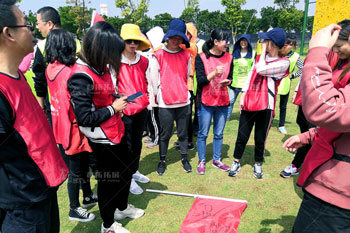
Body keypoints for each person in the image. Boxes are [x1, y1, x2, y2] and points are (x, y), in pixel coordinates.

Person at [67, 21, 144, 233]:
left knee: (126, 171)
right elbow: (84, 117)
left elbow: (102, 97)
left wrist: (116, 99)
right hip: (102, 140)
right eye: (110, 53)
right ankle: (108, 225)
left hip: (116, 131)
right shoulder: (80, 76)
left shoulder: (100, 68)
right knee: (108, 182)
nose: (113, 59)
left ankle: (121, 207)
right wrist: (113, 107)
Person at [0, 1, 68, 232]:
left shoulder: (15, 76)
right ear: (8, 33)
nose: (32, 31)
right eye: (26, 25)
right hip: (23, 203)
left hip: (42, 191)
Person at [282, 21, 350, 232]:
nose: (336, 51)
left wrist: (318, 51)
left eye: (339, 45)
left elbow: (325, 109)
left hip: (336, 197)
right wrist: (308, 136)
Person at [45, 29, 97, 222]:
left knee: (82, 165)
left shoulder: (50, 68)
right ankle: (74, 208)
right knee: (76, 170)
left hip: (59, 125)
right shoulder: (69, 72)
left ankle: (88, 195)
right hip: (73, 127)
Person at [228, 28, 290, 179]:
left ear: (273, 44)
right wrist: (243, 96)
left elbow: (261, 70)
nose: (262, 42)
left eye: (265, 40)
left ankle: (258, 163)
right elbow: (250, 76)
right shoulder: (258, 58)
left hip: (266, 105)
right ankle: (236, 161)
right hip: (250, 102)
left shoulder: (283, 62)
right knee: (242, 135)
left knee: (260, 138)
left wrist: (262, 53)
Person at [152, 18, 192, 175]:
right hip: (165, 102)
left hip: (183, 100)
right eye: (173, 37)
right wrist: (158, 94)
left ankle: (184, 158)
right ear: (167, 37)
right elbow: (154, 79)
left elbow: (186, 75)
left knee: (183, 133)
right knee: (165, 134)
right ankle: (162, 160)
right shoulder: (158, 55)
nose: (176, 40)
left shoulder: (186, 55)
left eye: (179, 38)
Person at [195, 27, 233, 175]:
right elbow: (201, 81)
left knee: (219, 133)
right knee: (203, 134)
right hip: (206, 102)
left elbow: (231, 77)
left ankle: (216, 160)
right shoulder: (201, 57)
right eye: (225, 40)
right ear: (216, 41)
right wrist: (213, 74)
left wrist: (228, 82)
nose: (228, 43)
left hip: (223, 102)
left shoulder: (229, 57)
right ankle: (202, 160)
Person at [118, 23, 151, 195]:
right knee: (127, 146)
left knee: (137, 143)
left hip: (142, 109)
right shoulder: (114, 61)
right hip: (125, 112)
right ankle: (127, 177)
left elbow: (145, 83)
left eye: (136, 41)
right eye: (129, 41)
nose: (132, 44)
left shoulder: (144, 61)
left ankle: (134, 170)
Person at [277, 36, 304, 134]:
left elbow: (303, 68)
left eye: (292, 44)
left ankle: (281, 125)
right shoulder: (277, 52)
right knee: (269, 103)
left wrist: (293, 76)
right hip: (274, 81)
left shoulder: (295, 56)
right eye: (288, 43)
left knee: (283, 106)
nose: (289, 46)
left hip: (285, 83)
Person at [226, 34, 255, 120]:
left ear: (248, 42)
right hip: (235, 82)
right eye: (242, 41)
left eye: (245, 41)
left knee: (245, 102)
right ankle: (226, 117)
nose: (243, 43)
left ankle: (245, 118)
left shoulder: (253, 54)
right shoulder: (234, 53)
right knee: (230, 100)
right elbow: (230, 67)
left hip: (247, 83)